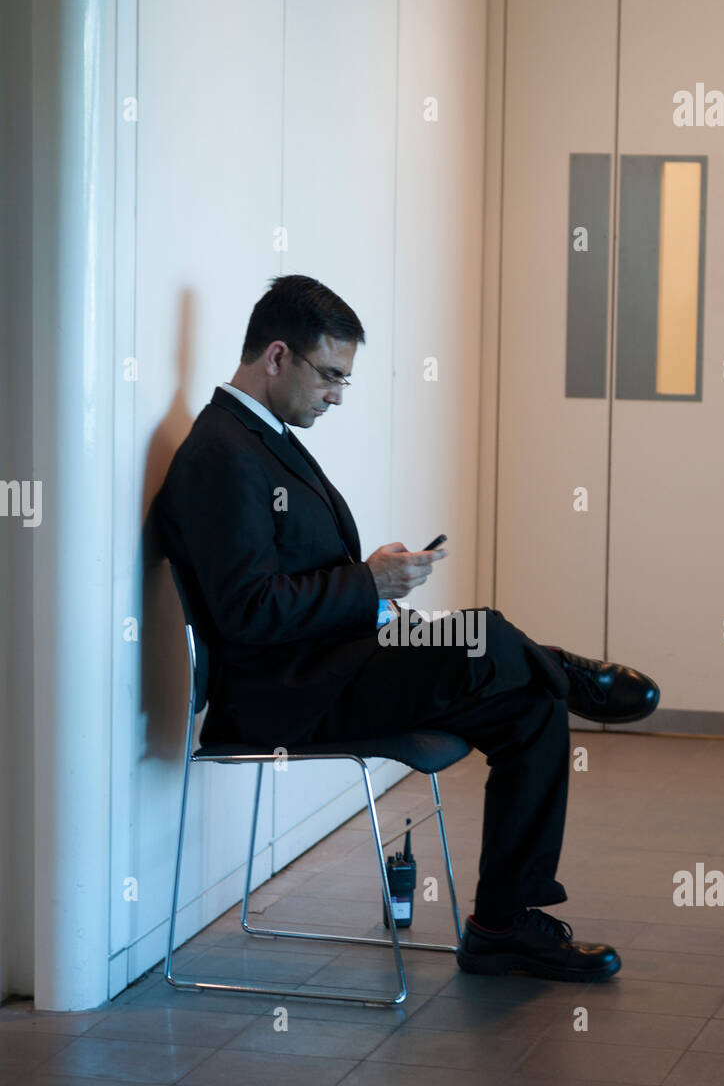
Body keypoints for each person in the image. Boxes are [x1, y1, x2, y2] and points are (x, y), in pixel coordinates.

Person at [154, 275, 659, 985]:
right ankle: (566, 670)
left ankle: (501, 927)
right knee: (481, 635)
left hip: (335, 661)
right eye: (329, 376)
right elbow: (249, 612)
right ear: (276, 357)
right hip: (285, 694)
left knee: (529, 706)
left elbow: (288, 577)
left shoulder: (260, 439)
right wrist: (366, 586)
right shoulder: (220, 454)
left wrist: (372, 575)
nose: (336, 395)